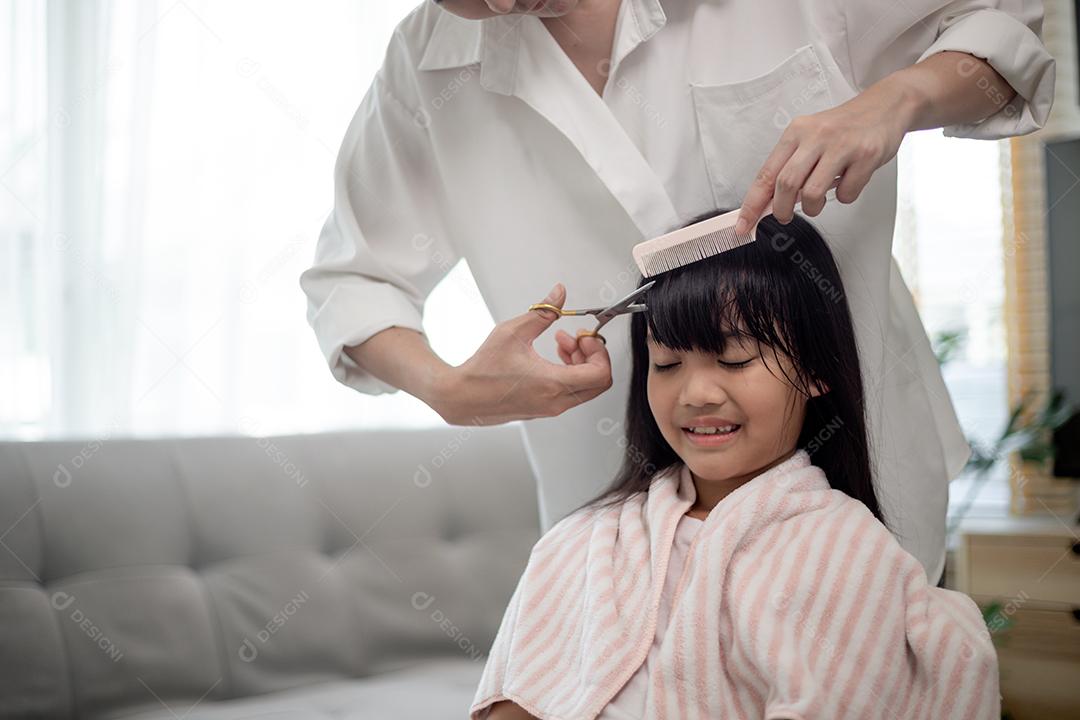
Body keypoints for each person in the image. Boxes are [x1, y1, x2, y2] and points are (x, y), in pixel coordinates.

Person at [298, 0, 1056, 586]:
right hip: (615, 536)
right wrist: (450, 389)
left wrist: (902, 97)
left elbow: (1003, 31)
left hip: (861, 482)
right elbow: (354, 277)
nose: (500, 7)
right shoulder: (426, 66)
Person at [472, 210, 1000, 720]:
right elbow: (515, 703)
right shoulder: (585, 541)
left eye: (734, 360)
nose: (696, 393)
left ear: (815, 369)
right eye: (668, 364)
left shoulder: (844, 549)